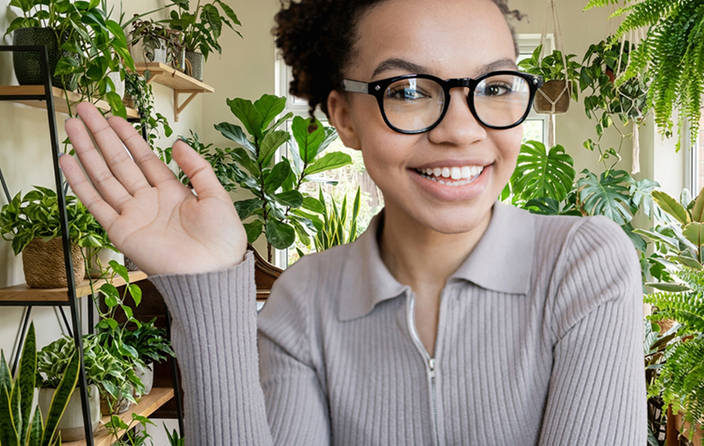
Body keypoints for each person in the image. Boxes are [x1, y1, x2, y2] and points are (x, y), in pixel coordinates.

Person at [59, 0, 646, 444]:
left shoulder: (583, 265)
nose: (462, 131)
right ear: (344, 117)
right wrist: (207, 282)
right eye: (408, 91)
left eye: (493, 86)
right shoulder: (305, 301)